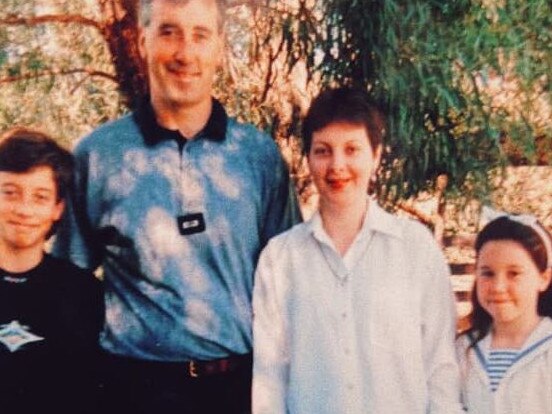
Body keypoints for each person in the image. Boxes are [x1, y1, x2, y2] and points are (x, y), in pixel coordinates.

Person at [53, 0, 300, 412]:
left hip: (236, 390)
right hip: (131, 389)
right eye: (169, 32)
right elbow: (67, 284)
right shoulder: (98, 156)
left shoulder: (258, 157)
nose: (185, 52)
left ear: (220, 47)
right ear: (143, 39)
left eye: (200, 35)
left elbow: (289, 284)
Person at [252, 87, 464, 414]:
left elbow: (441, 366)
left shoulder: (415, 249)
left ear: (376, 156)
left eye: (352, 149)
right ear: (307, 158)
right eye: (323, 151)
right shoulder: (280, 260)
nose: (338, 165)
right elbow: (271, 379)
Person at [0, 127, 103, 414]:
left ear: (58, 208)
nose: (24, 209)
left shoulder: (83, 293)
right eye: (10, 193)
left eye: (40, 197)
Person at [456, 213, 552, 413]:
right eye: (487, 273)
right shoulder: (463, 349)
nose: (498, 287)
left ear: (544, 278)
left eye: (514, 274)